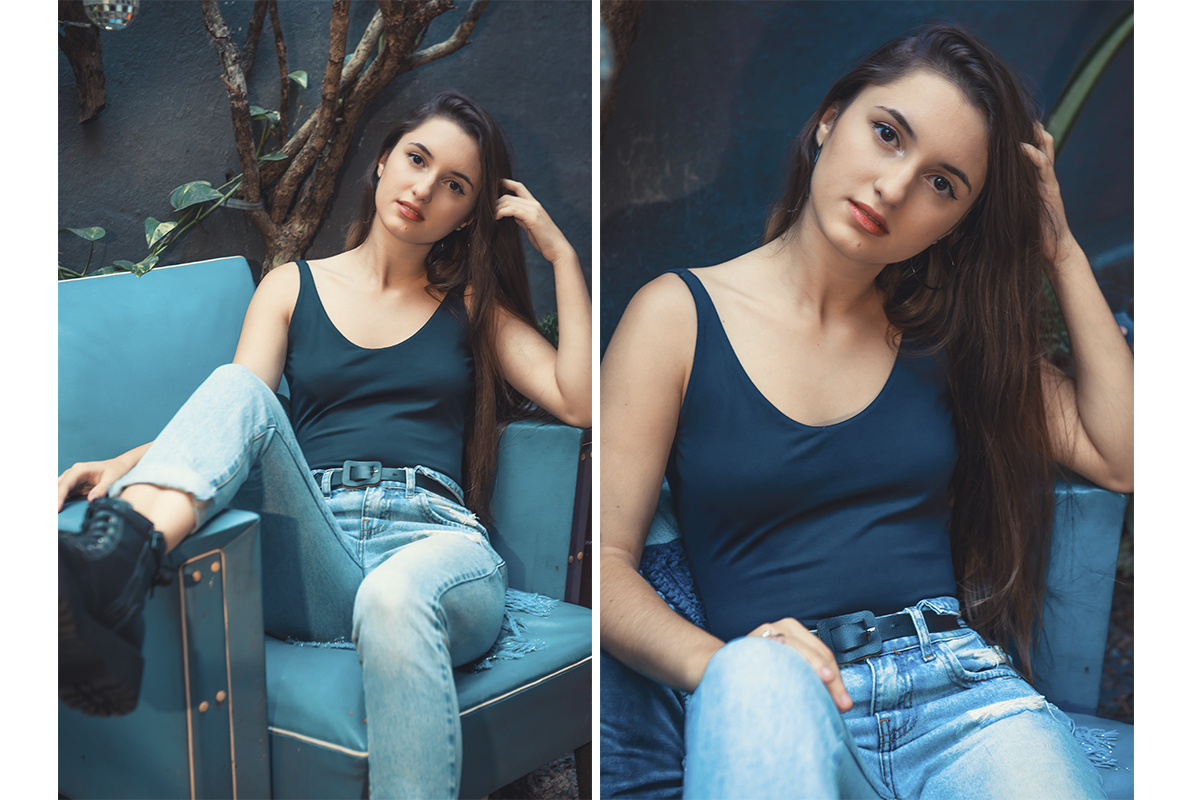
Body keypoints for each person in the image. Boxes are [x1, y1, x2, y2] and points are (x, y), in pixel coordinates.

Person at [599, 23, 1131, 799]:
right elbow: (606, 565)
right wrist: (727, 665)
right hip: (778, 694)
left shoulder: (944, 337)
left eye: (943, 183)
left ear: (957, 221)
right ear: (828, 120)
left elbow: (1122, 455)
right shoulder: (675, 316)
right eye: (887, 134)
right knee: (754, 681)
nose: (894, 187)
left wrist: (1060, 248)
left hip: (960, 698)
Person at [57, 91, 591, 799]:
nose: (424, 189)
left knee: (393, 597)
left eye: (455, 185)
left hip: (431, 547)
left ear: (469, 214)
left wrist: (560, 253)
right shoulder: (290, 287)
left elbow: (579, 400)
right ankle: (108, 577)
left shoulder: (469, 307)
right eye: (417, 159)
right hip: (316, 553)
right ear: (383, 161)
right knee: (238, 382)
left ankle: (108, 585)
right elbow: (240, 414)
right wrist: (128, 463)